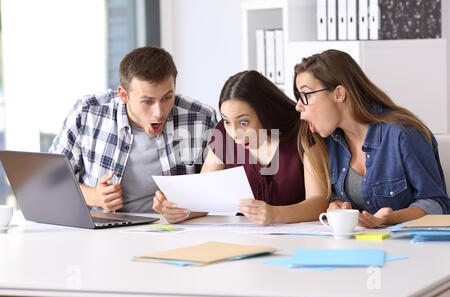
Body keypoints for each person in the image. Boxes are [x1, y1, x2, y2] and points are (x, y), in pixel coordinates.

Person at [294, 49, 450, 228]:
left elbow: (438, 204)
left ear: (339, 94)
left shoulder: (403, 135)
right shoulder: (332, 142)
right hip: (360, 246)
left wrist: (390, 218)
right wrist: (337, 205)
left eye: (306, 95)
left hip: (409, 246)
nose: (299, 106)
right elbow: (341, 198)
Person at [49, 46, 217, 213]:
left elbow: (216, 190)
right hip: (104, 232)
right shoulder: (87, 113)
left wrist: (185, 209)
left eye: (167, 97)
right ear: (123, 95)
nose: (159, 112)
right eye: (147, 101)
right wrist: (95, 196)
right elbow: (50, 180)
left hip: (177, 232)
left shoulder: (201, 118)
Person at [153, 70, 329, 225]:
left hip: (297, 240)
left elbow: (318, 202)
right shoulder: (224, 134)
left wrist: (276, 214)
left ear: (266, 113)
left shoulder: (302, 131)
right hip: (243, 242)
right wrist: (178, 211)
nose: (234, 132)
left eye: (243, 122)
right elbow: (203, 199)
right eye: (227, 121)